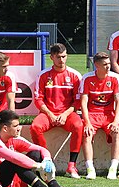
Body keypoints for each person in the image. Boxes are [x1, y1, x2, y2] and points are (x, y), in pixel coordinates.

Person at [0, 109, 79, 187]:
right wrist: (39, 166)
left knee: (36, 154)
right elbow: (14, 158)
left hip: (6, 184)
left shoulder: (13, 139)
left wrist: (47, 160)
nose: (19, 128)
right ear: (5, 128)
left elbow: (41, 149)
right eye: (15, 126)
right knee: (15, 162)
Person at [30, 43, 86, 179]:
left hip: (67, 114)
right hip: (48, 113)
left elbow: (77, 101)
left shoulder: (75, 75)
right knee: (35, 127)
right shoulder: (43, 75)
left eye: (64, 56)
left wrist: (65, 114)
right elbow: (38, 100)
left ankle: (71, 166)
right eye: (58, 57)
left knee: (79, 126)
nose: (62, 60)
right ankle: (46, 161)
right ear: (52, 57)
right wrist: (50, 114)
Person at [79, 52, 119, 180]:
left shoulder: (115, 77)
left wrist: (116, 121)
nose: (108, 66)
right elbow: (83, 102)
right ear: (96, 65)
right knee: (87, 133)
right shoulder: (87, 78)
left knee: (116, 133)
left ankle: (113, 168)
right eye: (104, 64)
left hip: (108, 114)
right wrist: (87, 122)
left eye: (109, 63)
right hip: (92, 114)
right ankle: (90, 169)